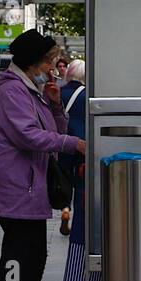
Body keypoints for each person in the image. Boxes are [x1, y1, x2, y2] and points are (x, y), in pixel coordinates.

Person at [0, 29, 85, 281]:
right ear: (32, 63)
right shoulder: (12, 91)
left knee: (35, 254)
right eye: (48, 63)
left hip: (30, 185)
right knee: (17, 254)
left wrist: (54, 105)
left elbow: (53, 128)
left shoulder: (29, 90)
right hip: (15, 186)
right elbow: (26, 135)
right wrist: (73, 144)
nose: (51, 70)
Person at [57, 59, 86, 237]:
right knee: (80, 181)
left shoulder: (59, 92)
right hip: (82, 143)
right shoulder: (86, 94)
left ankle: (65, 208)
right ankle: (78, 214)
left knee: (64, 177)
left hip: (63, 141)